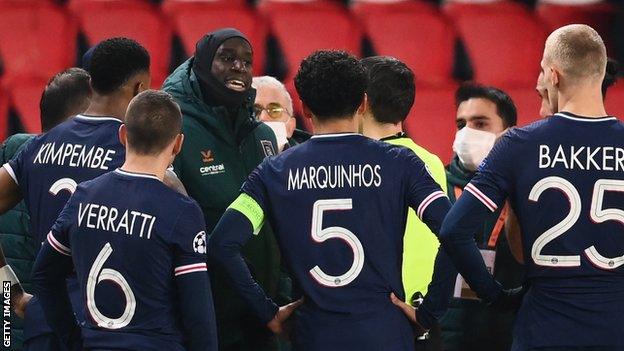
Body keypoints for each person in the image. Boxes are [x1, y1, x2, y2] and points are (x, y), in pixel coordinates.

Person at [208, 49, 471, 350]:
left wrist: (267, 312)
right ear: (362, 104)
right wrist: (430, 312)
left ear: (305, 109)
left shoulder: (273, 172)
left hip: (314, 334)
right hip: (385, 333)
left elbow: (222, 244)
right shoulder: (401, 163)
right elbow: (455, 232)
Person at [440, 24, 624, 350]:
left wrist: (493, 295)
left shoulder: (519, 145)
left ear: (553, 75)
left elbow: (454, 229)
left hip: (543, 329)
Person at [32, 90, 218, 351]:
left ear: (122, 135)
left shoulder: (83, 196)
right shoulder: (182, 211)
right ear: (178, 144)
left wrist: (73, 340)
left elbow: (43, 275)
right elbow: (198, 314)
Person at [0, 37, 150, 351]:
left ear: (92, 83)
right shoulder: (135, 152)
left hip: (47, 320)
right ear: (139, 89)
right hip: (114, 323)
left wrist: (8, 290)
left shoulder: (36, 147)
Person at [163, 28, 286, 351]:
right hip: (205, 314)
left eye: (247, 62)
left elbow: (279, 221)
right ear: (202, 64)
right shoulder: (175, 129)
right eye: (227, 58)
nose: (239, 68)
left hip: (263, 311)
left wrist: (281, 292)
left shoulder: (264, 137)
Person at [0, 67, 92, 350]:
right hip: (37, 320)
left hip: (26, 313)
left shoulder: (18, 150)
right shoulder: (20, 153)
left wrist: (8, 290)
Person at [358, 56, 447, 349]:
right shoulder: (431, 161)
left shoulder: (356, 165)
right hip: (420, 318)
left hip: (372, 319)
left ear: (362, 101)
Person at [440, 84, 525, 350]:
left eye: (480, 123)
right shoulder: (434, 186)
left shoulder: (526, 189)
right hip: (446, 334)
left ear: (507, 131)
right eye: (460, 124)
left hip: (507, 331)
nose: (467, 133)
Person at [252, 76, 310, 150]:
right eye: (254, 111)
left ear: (290, 127)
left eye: (275, 110)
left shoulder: (310, 159)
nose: (263, 117)